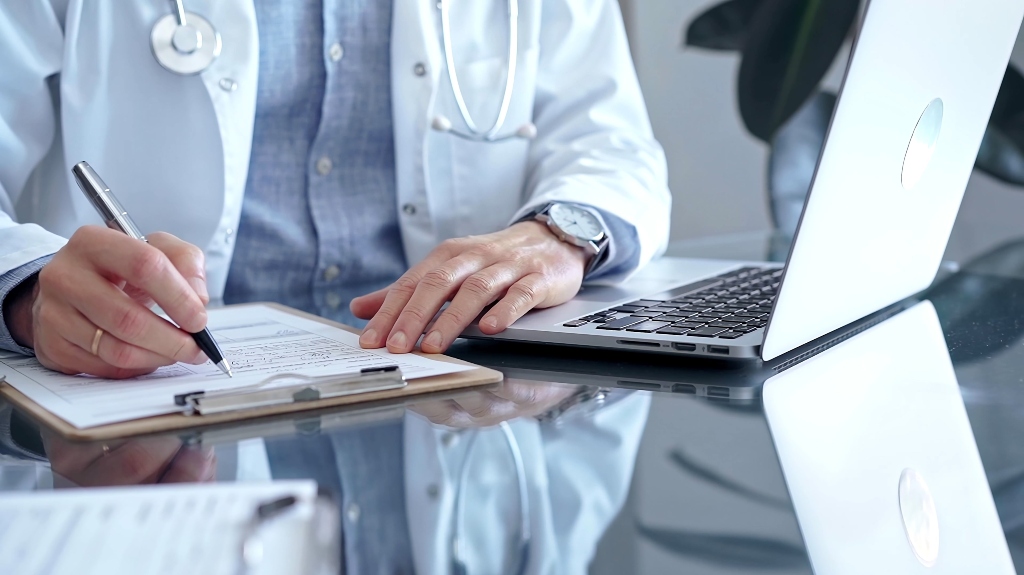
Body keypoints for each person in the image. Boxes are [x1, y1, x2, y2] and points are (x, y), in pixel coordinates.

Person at [0, 1, 669, 378]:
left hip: (456, 387)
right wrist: (28, 291)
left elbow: (609, 137)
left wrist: (558, 233)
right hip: (162, 397)